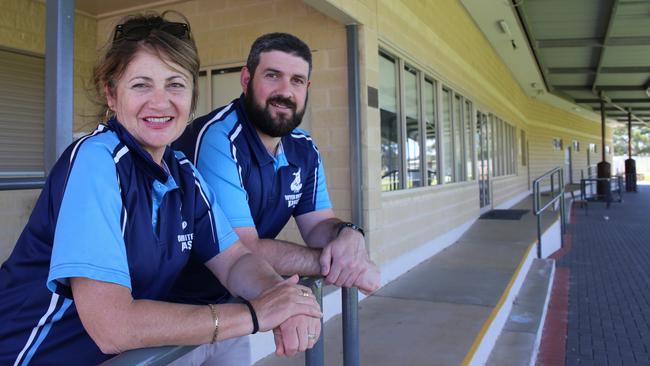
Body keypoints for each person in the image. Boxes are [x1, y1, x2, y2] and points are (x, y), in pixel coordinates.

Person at [0, 13, 321, 366]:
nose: (160, 102)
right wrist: (256, 315)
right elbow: (113, 326)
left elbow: (235, 260)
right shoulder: (97, 161)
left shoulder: (183, 174)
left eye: (175, 84)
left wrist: (281, 295)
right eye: (141, 85)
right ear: (111, 93)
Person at [172, 32, 381, 358]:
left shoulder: (304, 148)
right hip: (175, 312)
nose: (285, 91)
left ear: (307, 90)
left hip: (237, 303)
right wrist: (337, 263)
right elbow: (244, 248)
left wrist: (348, 236)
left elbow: (319, 224)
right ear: (246, 79)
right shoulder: (220, 138)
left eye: (297, 80)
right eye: (273, 76)